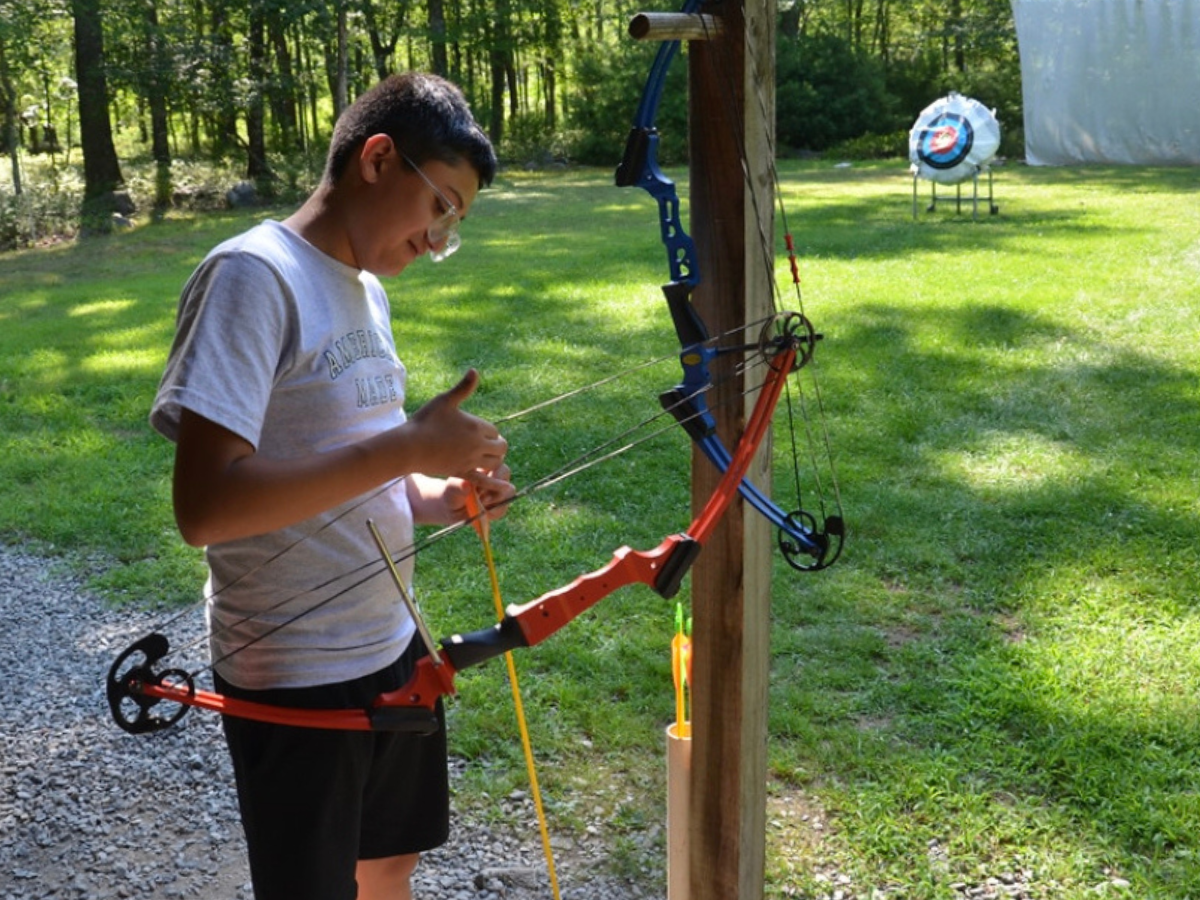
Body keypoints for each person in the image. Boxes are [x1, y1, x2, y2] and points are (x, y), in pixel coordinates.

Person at [149, 72, 513, 900]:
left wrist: (437, 493)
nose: (439, 238)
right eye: (441, 205)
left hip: (391, 641)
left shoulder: (368, 291)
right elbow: (205, 508)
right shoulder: (253, 274)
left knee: (390, 859)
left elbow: (353, 470)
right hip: (297, 670)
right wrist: (407, 447)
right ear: (379, 160)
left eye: (456, 221)